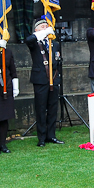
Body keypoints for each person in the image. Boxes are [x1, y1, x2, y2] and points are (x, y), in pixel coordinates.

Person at [25, 18, 64, 147]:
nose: (45, 28)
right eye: (42, 27)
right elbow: (28, 40)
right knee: (41, 109)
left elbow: (58, 61)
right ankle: (41, 137)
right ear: (36, 30)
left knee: (53, 108)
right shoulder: (35, 43)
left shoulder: (54, 43)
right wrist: (42, 33)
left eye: (46, 26)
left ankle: (51, 135)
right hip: (41, 80)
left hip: (53, 79)